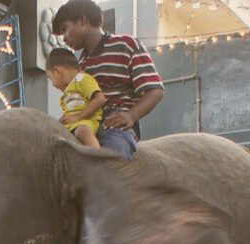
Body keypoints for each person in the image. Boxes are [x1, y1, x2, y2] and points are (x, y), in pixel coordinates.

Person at [52, 0, 164, 160]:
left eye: (65, 29)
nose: (64, 39)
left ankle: (116, 182)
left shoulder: (126, 45)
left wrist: (131, 116)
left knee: (113, 156)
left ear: (82, 20)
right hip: (88, 119)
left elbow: (155, 90)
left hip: (115, 120)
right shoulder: (82, 61)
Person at [46, 47, 106, 149]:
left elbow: (100, 98)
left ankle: (96, 155)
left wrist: (78, 117)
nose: (51, 84)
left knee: (82, 131)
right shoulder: (66, 94)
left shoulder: (82, 79)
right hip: (72, 125)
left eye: (50, 78)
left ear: (57, 71)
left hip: (86, 121)